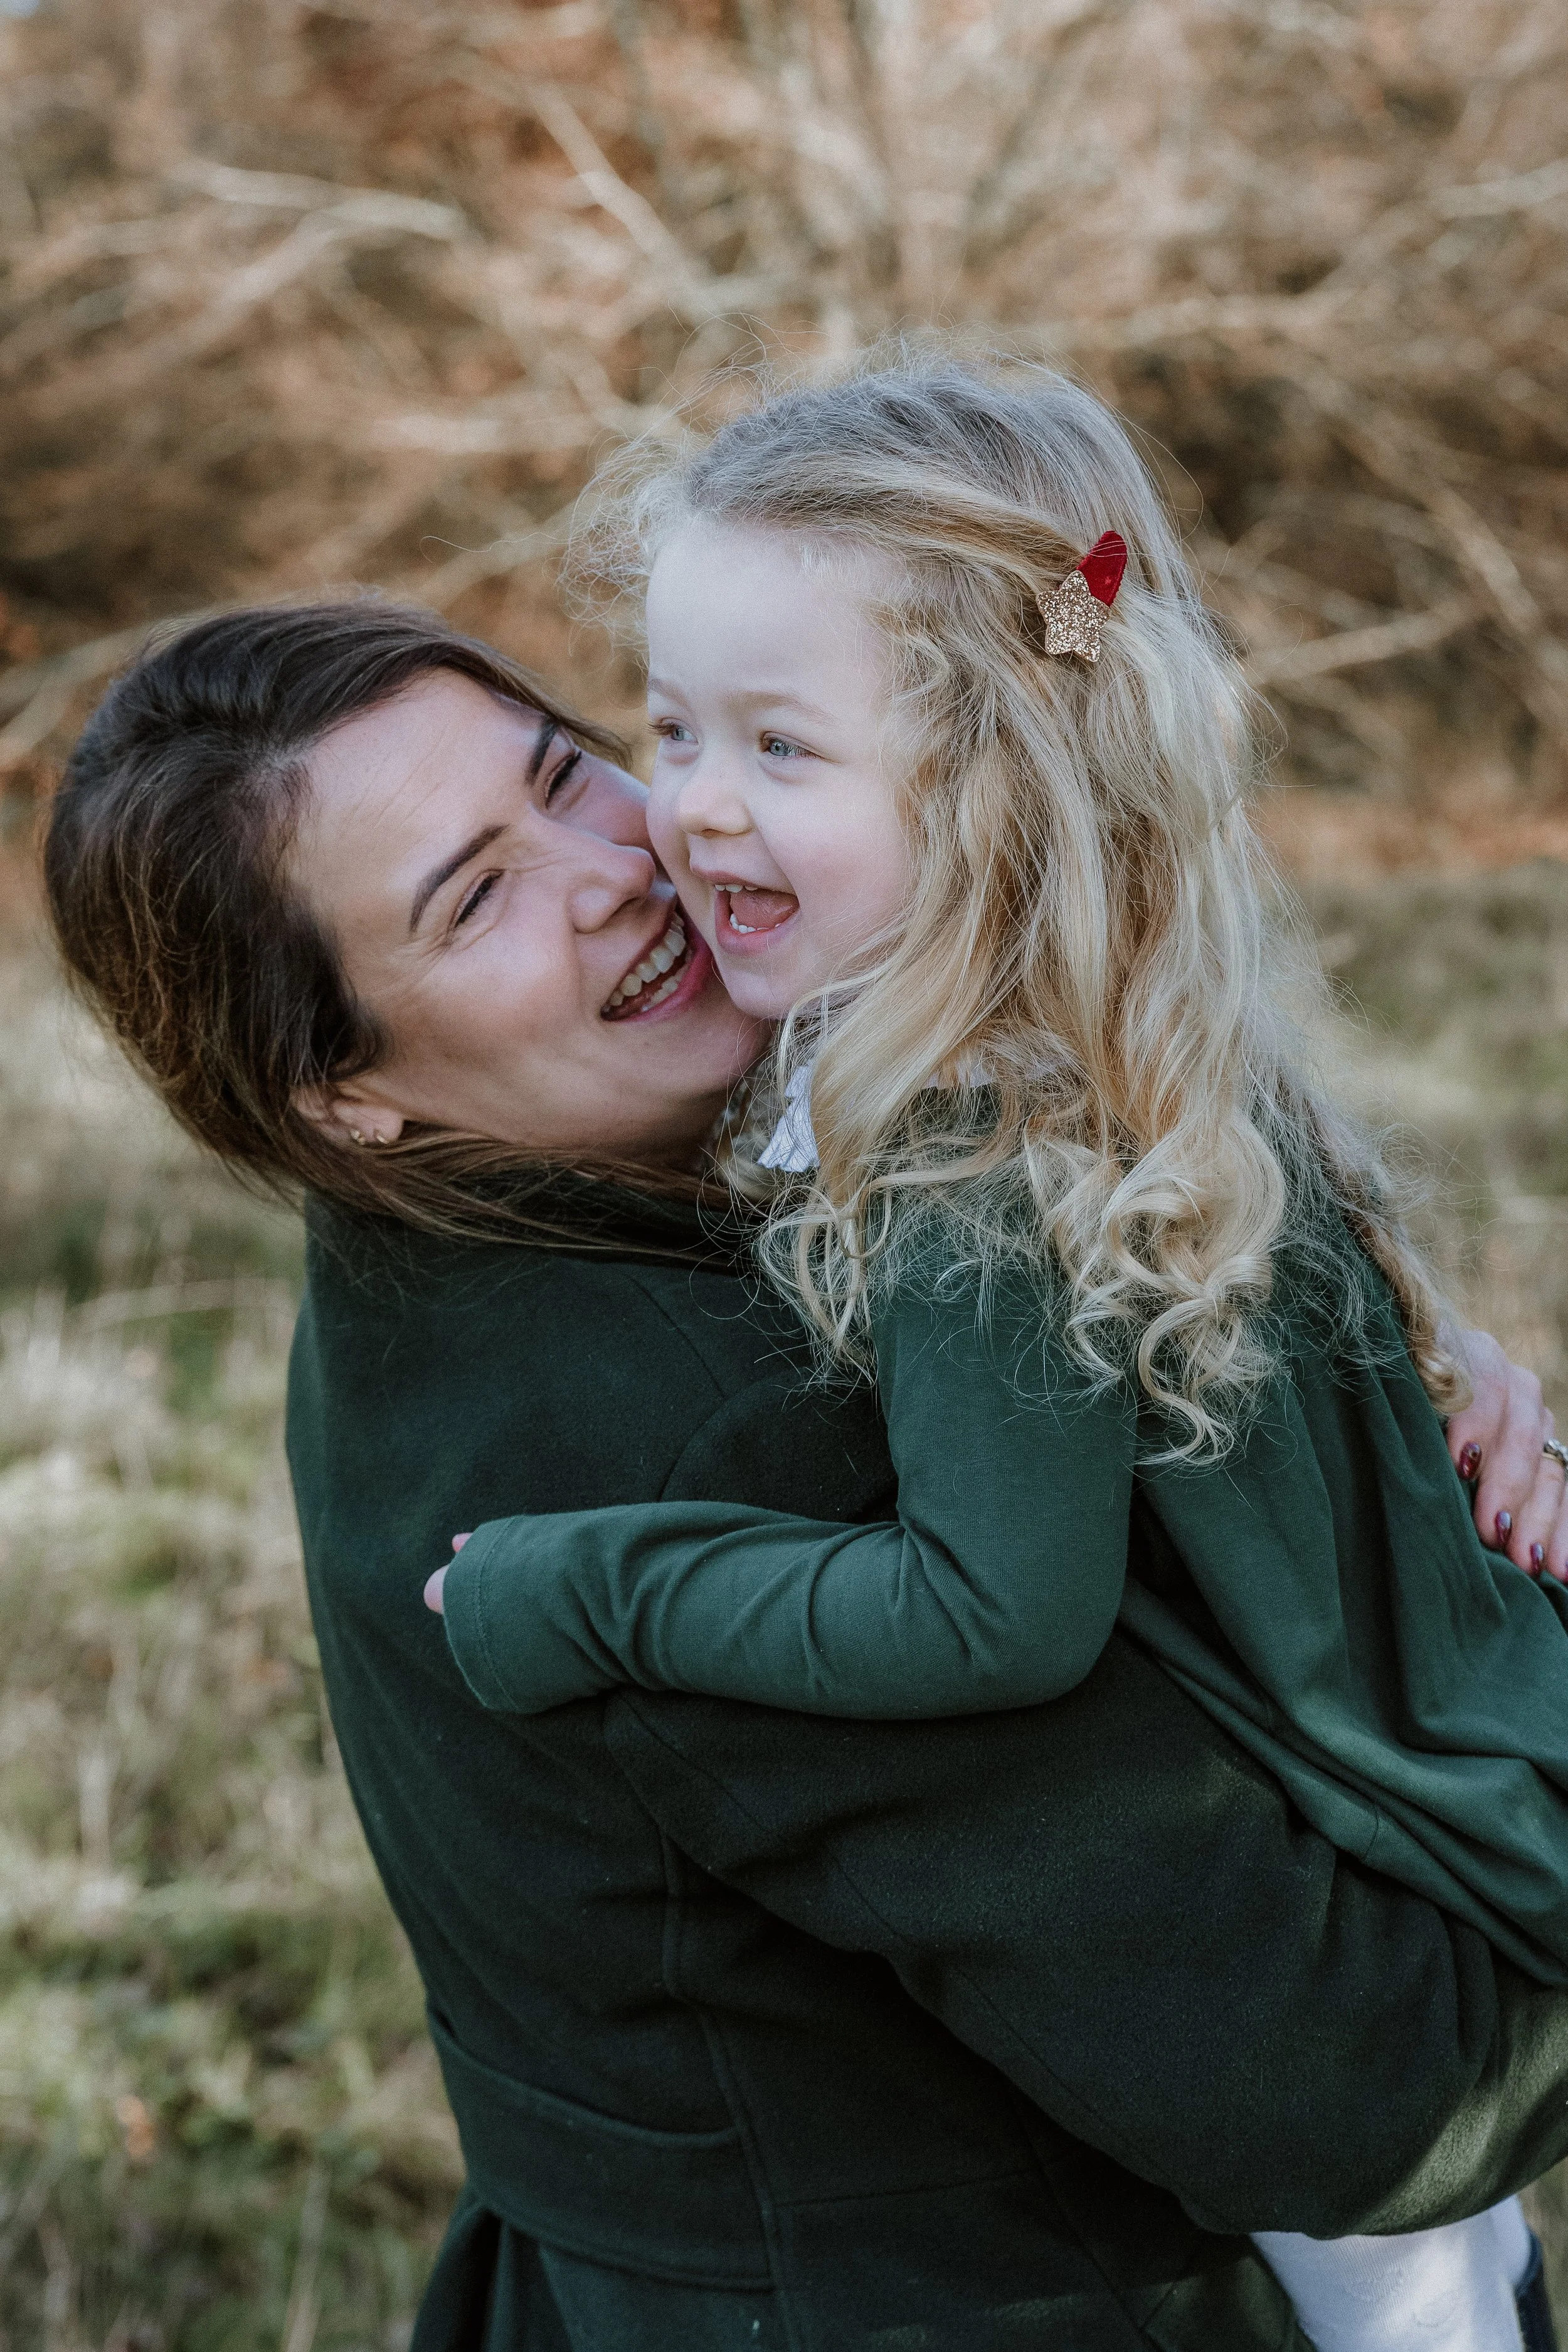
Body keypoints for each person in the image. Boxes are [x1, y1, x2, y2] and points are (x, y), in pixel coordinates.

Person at [41, 599, 1568, 2351]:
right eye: (473, 897)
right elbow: (1355, 2086)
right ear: (340, 1092)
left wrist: (1393, 1427)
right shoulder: (717, 1433)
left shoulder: (472, 1235)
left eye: (565, 776)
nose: (616, 867)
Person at [415, 366, 1568, 2351]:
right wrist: (1453, 1358)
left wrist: (576, 1582)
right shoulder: (1063, 1011)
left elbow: (991, 1614)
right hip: (1391, 1796)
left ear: (999, 781)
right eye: (672, 724)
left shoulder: (967, 1148)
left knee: (1412, 2298)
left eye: (782, 746)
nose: (689, 802)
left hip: (1371, 1903)